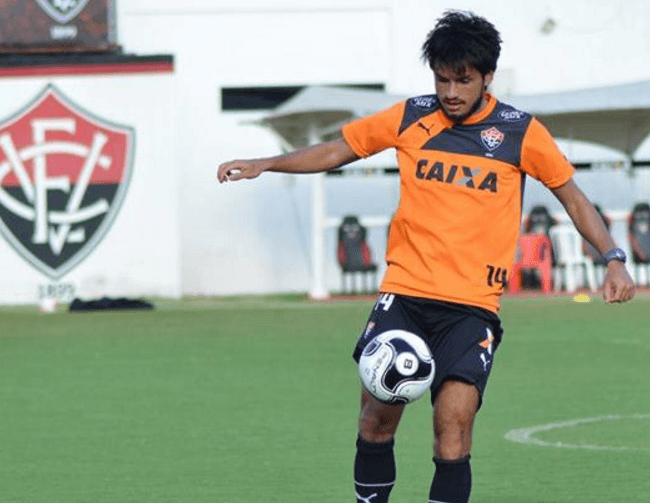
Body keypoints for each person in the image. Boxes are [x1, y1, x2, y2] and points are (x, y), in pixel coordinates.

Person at [216, 10, 635, 503]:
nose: (451, 91)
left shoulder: (520, 132)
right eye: (442, 79)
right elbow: (337, 151)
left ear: (487, 78)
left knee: (452, 430)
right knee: (376, 420)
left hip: (472, 307)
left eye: (463, 80)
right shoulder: (411, 115)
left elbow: (573, 197)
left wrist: (612, 256)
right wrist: (265, 164)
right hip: (405, 297)